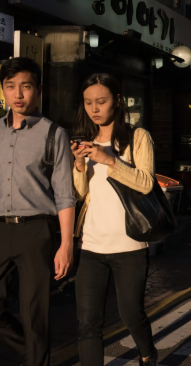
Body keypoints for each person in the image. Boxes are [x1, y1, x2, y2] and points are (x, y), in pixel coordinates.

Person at [71, 74, 157, 365]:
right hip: (91, 247)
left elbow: (145, 183)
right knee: (87, 324)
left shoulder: (137, 137)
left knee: (131, 314)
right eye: (88, 103)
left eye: (101, 101)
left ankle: (148, 353)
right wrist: (80, 164)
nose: (94, 108)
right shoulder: (85, 141)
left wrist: (109, 160)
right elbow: (82, 194)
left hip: (129, 245)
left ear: (117, 101)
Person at [0, 58, 76, 366]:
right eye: (11, 87)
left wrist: (66, 245)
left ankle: (36, 358)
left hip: (36, 232)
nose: (18, 94)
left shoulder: (54, 134)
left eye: (26, 87)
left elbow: (65, 194)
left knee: (34, 313)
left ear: (38, 90)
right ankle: (31, 354)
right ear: (3, 90)